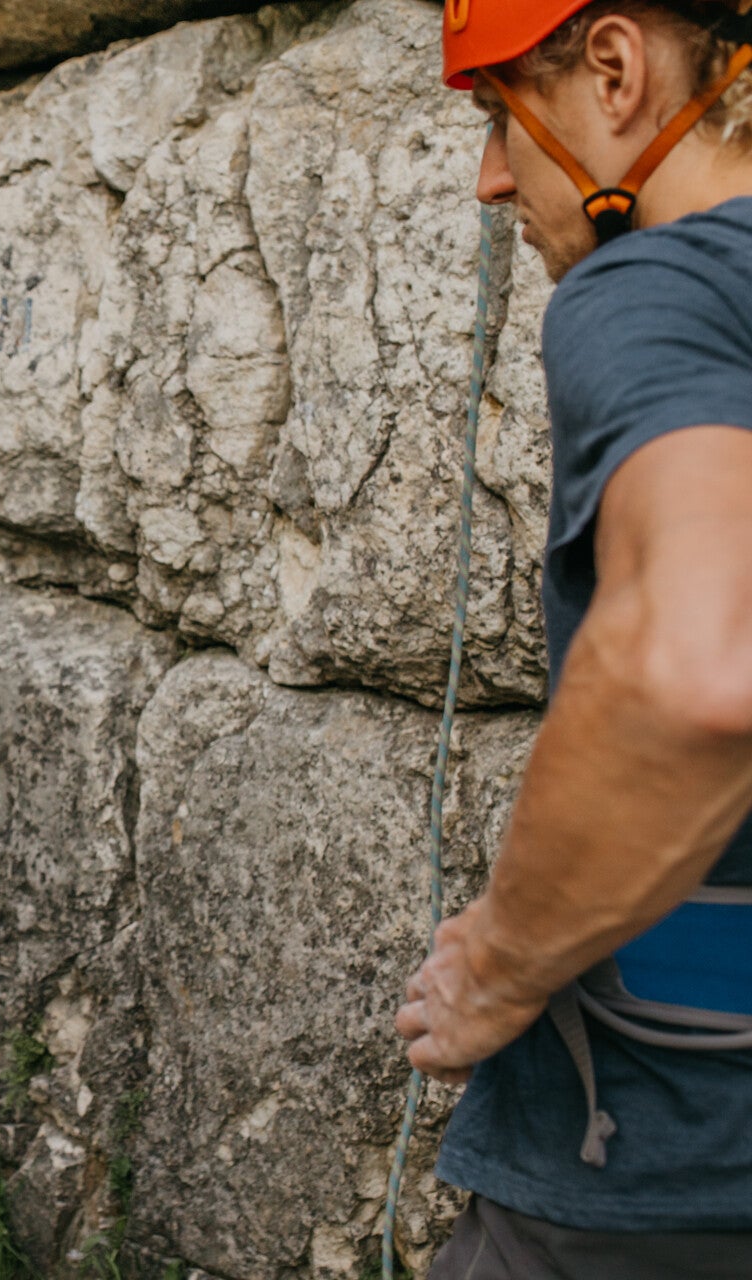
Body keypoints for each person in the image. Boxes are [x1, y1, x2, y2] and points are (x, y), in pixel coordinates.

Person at [398, 2, 752, 1274]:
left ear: (614, 69)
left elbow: (702, 665)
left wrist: (499, 960)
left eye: (502, 110)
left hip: (663, 1164)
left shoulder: (661, 288)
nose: (492, 176)